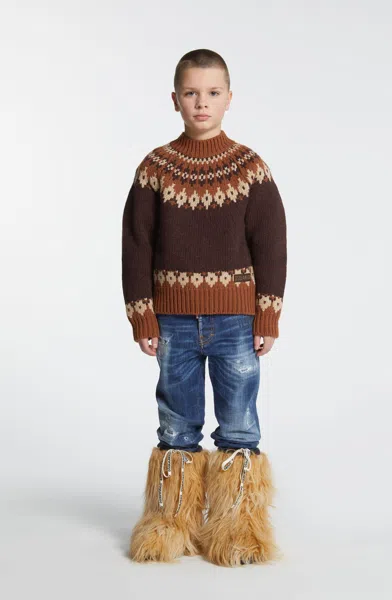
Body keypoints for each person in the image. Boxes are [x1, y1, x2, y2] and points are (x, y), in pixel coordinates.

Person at [121, 48, 287, 567]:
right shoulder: (156, 169)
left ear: (229, 98)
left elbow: (271, 243)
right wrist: (141, 313)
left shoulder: (249, 168)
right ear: (174, 99)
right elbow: (136, 244)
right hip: (171, 321)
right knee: (176, 422)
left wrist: (268, 313)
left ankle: (238, 527)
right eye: (191, 93)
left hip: (237, 320)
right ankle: (171, 523)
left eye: (212, 93)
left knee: (239, 423)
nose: (201, 103)